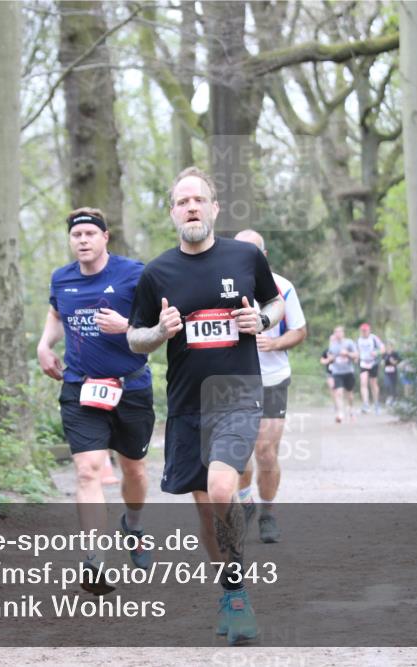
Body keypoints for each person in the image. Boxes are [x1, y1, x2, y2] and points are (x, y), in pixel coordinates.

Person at [127, 167, 283, 645]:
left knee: (221, 489)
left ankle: (238, 598)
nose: (191, 207)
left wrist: (261, 318)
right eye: (182, 201)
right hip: (186, 402)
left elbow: (275, 305)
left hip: (235, 391)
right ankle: (230, 591)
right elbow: (136, 339)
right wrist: (160, 332)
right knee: (205, 513)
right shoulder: (156, 273)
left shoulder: (245, 256)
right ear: (173, 213)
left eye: (199, 200)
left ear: (215, 209)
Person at [37, 207, 155, 595]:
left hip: (131, 386)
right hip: (80, 386)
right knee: (88, 470)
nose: (83, 240)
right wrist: (44, 344)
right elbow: (56, 314)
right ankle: (94, 558)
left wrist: (128, 327)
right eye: (77, 235)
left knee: (134, 471)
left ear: (106, 237)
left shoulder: (133, 274)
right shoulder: (62, 278)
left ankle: (133, 526)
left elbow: (160, 323)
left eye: (90, 233)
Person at [233, 229, 307, 544]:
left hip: (273, 380)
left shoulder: (283, 287)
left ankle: (267, 514)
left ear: (263, 255)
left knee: (265, 452)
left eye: (253, 252)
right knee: (238, 453)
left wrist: (275, 343)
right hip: (232, 382)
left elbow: (301, 331)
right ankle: (247, 501)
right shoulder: (220, 286)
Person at [324, 326, 358, 423]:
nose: (338, 334)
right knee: (338, 392)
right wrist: (330, 358)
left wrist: (347, 353)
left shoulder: (349, 342)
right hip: (337, 372)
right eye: (336, 332)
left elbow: (356, 355)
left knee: (350, 394)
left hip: (348, 371)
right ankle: (340, 413)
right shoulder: (332, 345)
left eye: (340, 332)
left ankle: (351, 409)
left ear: (343, 333)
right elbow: (329, 356)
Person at [356, 323, 385, 414]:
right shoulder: (358, 340)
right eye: (362, 331)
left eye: (366, 331)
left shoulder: (374, 338)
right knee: (363, 382)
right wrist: (356, 357)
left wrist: (376, 352)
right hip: (363, 363)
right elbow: (356, 351)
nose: (364, 332)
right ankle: (366, 404)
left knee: (373, 384)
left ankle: (376, 403)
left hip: (373, 363)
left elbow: (383, 349)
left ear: (369, 330)